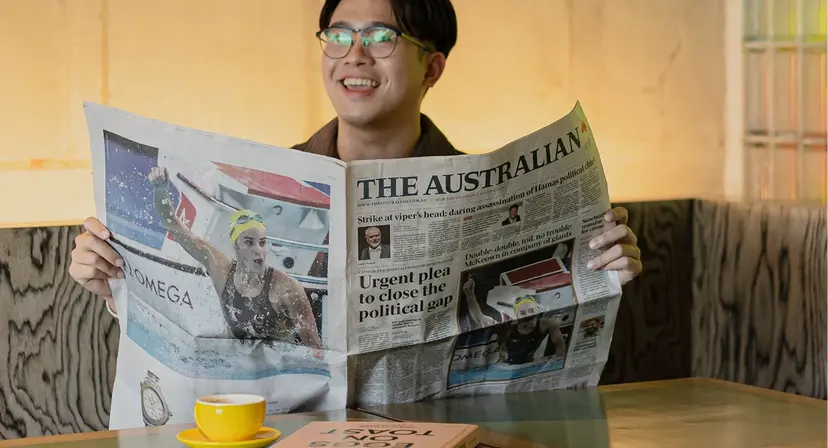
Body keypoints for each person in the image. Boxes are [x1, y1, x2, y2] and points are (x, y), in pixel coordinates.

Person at [70, 0, 642, 325]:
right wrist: (115, 282)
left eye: (380, 36)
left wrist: (604, 271)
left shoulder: (492, 197)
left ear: (433, 68)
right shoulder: (264, 182)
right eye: (338, 35)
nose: (354, 55)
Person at [147, 167, 322, 352]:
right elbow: (170, 223)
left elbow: (315, 350)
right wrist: (160, 190)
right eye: (249, 243)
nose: (258, 251)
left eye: (262, 243)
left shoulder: (287, 289)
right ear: (236, 247)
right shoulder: (220, 268)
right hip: (238, 361)